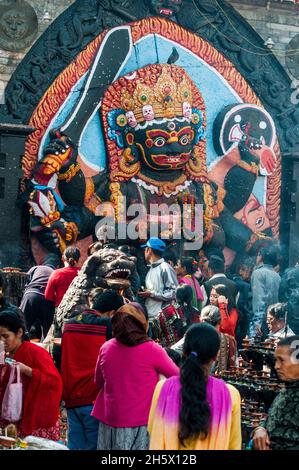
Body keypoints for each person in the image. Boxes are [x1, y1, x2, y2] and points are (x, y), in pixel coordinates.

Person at [92, 303, 179, 450]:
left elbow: (98, 383)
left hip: (110, 418)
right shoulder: (152, 349)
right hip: (141, 420)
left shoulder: (106, 347)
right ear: (142, 324)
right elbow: (177, 376)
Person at [148, 323, 242, 450]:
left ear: (185, 352)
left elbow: (153, 429)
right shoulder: (230, 395)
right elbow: (234, 446)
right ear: (216, 355)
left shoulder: (163, 388)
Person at [61, 289, 124, 450]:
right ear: (112, 312)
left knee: (74, 446)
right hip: (94, 399)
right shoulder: (106, 325)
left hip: (71, 398)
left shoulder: (68, 324)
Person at [0, 309, 62, 439]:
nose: (2, 342)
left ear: (19, 333)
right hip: (10, 419)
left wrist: (28, 371)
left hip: (34, 420)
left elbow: (54, 382)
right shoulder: (4, 354)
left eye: (5, 336)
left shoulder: (36, 353)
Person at [252, 336, 299, 450]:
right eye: (275, 360)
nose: (276, 366)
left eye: (281, 360)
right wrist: (260, 429)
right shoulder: (286, 390)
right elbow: (271, 421)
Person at [138, 238, 178, 334]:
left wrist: (151, 294)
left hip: (160, 319)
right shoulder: (151, 268)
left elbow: (174, 292)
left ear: (149, 250)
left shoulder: (165, 267)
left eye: (145, 249)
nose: (144, 252)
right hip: (151, 317)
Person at [20, 254, 60, 339]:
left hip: (31, 295)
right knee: (48, 330)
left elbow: (25, 281)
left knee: (22, 325)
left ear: (43, 263)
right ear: (57, 266)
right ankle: (46, 348)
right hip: (47, 299)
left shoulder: (36, 268)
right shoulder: (56, 272)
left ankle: (20, 347)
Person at [249, 245, 281, 338]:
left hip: (261, 320)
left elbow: (259, 298)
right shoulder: (277, 276)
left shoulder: (258, 273)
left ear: (261, 256)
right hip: (272, 319)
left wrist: (257, 322)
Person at [201, 305, 237, 373]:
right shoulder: (229, 340)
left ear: (201, 320)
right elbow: (234, 367)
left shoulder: (193, 337)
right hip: (221, 381)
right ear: (220, 322)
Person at [232, 257, 254, 348]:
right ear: (241, 270)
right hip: (241, 323)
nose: (250, 274)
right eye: (249, 271)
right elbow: (245, 307)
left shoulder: (230, 281)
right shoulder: (246, 286)